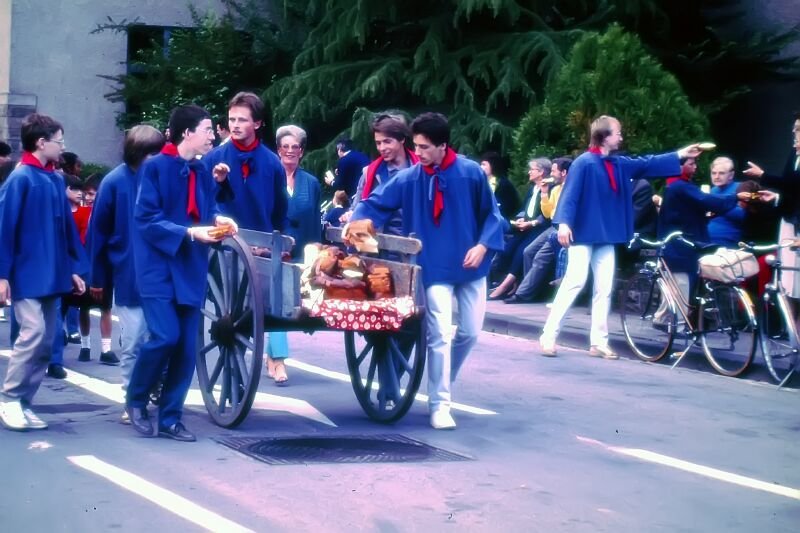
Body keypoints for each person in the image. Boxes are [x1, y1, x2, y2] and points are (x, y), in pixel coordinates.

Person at [349, 112, 505, 429]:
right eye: (416, 146)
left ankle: (443, 376)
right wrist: (355, 223)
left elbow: (492, 215)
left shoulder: (471, 173)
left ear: (442, 145)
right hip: (431, 267)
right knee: (439, 335)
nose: (417, 153)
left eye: (423, 147)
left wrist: (483, 246)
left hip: (471, 265)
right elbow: (374, 204)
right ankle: (440, 404)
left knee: (470, 333)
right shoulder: (409, 178)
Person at [538, 115, 706, 358]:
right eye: (617, 132)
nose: (621, 136)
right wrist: (564, 224)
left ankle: (599, 342)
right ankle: (549, 335)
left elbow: (648, 164)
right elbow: (570, 195)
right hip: (583, 233)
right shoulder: (584, 163)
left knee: (604, 288)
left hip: (605, 235)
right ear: (604, 136)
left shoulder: (617, 163)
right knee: (575, 281)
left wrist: (681, 154)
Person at [126, 104, 238, 442]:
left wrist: (218, 219)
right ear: (187, 133)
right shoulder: (154, 167)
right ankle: (136, 399)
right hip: (158, 267)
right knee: (165, 336)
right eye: (207, 129)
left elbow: (208, 208)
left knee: (188, 347)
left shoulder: (201, 169)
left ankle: (171, 418)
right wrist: (189, 232)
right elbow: (146, 219)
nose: (212, 136)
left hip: (190, 266)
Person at [0, 113, 87, 431]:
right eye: (58, 141)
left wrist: (74, 269)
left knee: (48, 341)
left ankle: (24, 403)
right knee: (33, 333)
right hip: (25, 273)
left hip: (53, 273)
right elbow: (4, 229)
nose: (62, 146)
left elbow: (66, 230)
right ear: (41, 142)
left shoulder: (54, 179)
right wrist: (2, 276)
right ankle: (9, 398)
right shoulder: (21, 178)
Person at [204, 92, 290, 385]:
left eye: (242, 120)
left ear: (258, 123)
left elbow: (280, 209)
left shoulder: (272, 163)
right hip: (226, 250)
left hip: (261, 249)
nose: (236, 125)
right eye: (232, 119)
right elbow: (203, 205)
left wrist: (280, 243)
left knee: (257, 312)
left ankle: (249, 369)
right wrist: (217, 184)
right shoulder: (214, 159)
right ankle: (235, 378)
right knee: (230, 316)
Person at [89, 125, 165, 423]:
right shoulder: (114, 182)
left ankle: (152, 387)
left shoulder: (161, 177)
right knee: (133, 340)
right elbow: (98, 232)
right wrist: (97, 277)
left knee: (161, 338)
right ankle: (132, 399)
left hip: (161, 273)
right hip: (128, 274)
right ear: (138, 153)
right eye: (153, 153)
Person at [744, 115, 800, 298]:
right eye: (794, 129)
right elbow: (791, 188)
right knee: (788, 275)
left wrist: (763, 175)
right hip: (790, 219)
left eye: (798, 129)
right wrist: (777, 198)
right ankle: (789, 312)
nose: (794, 133)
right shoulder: (794, 154)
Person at [504, 157, 572, 303]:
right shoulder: (555, 189)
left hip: (563, 228)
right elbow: (548, 214)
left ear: (564, 172)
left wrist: (532, 222)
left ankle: (523, 293)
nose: (551, 174)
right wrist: (544, 193)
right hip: (554, 226)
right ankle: (530, 291)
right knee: (528, 251)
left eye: (553, 171)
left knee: (540, 256)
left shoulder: (570, 189)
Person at [344, 112, 419, 236]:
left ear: (402, 139)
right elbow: (356, 208)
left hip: (415, 242)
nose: (382, 148)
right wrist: (350, 214)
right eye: (378, 143)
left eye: (387, 141)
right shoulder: (369, 173)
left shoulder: (421, 171)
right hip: (378, 244)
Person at [487, 157, 551, 300]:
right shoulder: (532, 188)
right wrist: (520, 219)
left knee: (522, 251)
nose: (529, 172)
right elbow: (524, 208)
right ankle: (508, 283)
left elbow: (547, 215)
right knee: (507, 249)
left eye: (532, 169)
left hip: (539, 227)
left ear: (541, 172)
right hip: (526, 226)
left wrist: (531, 223)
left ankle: (505, 286)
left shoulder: (548, 188)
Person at [707, 157, 745, 247]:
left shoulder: (741, 188)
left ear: (731, 175)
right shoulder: (713, 190)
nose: (716, 177)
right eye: (713, 173)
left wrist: (716, 205)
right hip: (706, 239)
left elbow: (742, 215)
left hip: (727, 241)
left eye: (721, 173)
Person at [480, 151, 520, 220]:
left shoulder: (503, 184)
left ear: (492, 165)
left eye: (484, 165)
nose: (481, 167)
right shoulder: (482, 182)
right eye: (481, 164)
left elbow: (509, 206)